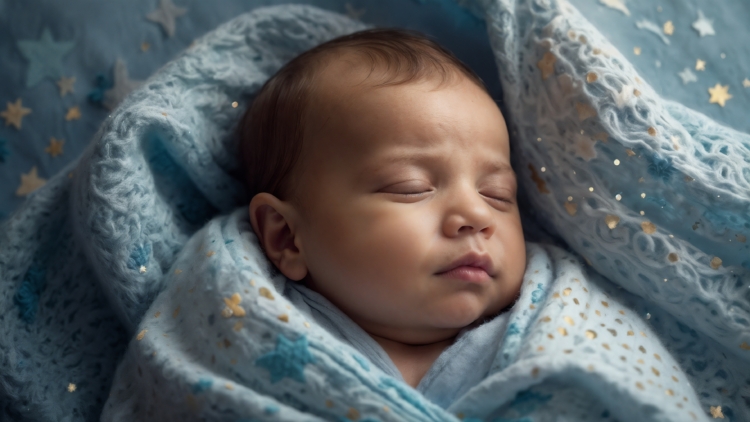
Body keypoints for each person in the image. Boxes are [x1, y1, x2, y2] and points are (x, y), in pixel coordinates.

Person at [237, 28, 526, 389]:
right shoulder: (244, 330)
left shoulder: (552, 329)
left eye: (497, 194)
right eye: (411, 188)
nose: (478, 216)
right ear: (287, 238)